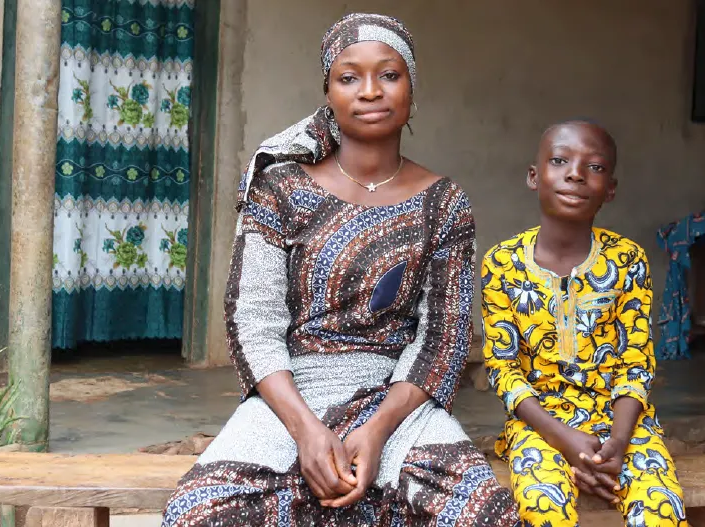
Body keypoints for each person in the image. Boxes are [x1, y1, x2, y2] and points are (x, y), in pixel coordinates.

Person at [162, 13, 520, 527]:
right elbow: (254, 320)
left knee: (482, 514)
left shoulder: (444, 203)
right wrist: (307, 431)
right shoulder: (280, 188)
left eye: (389, 75)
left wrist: (376, 432)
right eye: (349, 77)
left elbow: (443, 338)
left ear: (412, 90)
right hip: (290, 399)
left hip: (398, 402)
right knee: (197, 513)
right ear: (327, 92)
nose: (370, 91)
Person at [481, 121, 688, 526]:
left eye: (594, 167)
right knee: (544, 507)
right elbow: (502, 370)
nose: (575, 173)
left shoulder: (627, 261)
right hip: (539, 425)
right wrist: (565, 439)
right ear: (533, 175)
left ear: (610, 188)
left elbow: (636, 364)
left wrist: (618, 443)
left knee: (661, 508)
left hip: (623, 425)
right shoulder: (501, 263)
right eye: (559, 161)